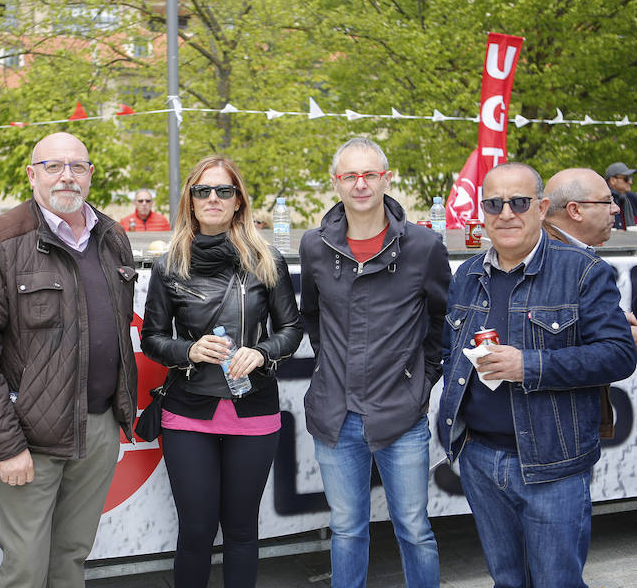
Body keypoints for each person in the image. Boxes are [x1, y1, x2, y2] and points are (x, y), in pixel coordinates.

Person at [0, 132, 137, 588]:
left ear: (91, 175)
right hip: (30, 437)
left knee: (71, 559)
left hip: (99, 429)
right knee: (26, 570)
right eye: (53, 166)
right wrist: (6, 444)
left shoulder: (112, 237)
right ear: (32, 175)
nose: (66, 175)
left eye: (77, 166)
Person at [439, 162, 637, 588]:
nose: (506, 212)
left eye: (519, 202)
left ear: (543, 207)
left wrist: (527, 365)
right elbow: (449, 351)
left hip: (554, 465)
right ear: (482, 211)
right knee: (508, 581)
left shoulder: (582, 271)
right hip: (480, 459)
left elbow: (619, 355)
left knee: (556, 581)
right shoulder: (467, 276)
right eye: (494, 203)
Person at [141, 155, 302, 588]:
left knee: (242, 531)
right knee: (195, 532)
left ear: (238, 202)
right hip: (188, 413)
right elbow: (152, 339)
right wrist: (189, 350)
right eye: (202, 191)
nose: (213, 198)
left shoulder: (266, 259)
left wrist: (263, 353)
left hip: (254, 410)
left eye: (224, 191)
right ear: (190, 202)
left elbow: (291, 328)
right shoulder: (168, 264)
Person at [299, 137, 449, 588]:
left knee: (414, 528)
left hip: (400, 415)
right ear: (336, 183)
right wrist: (333, 370)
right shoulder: (314, 245)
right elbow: (312, 316)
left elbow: (443, 323)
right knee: (346, 529)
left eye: (370, 175)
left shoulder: (423, 246)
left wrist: (418, 385)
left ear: (386, 178)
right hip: (334, 414)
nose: (360, 184)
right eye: (350, 176)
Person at [544, 167, 628, 439]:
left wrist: (609, 323)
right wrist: (618, 337)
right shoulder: (559, 261)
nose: (615, 209)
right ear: (575, 210)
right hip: (557, 434)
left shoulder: (563, 256)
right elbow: (534, 341)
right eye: (607, 201)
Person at [605, 162, 636, 229]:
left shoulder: (632, 198)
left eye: (630, 178)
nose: (630, 182)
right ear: (613, 180)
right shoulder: (603, 199)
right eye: (626, 179)